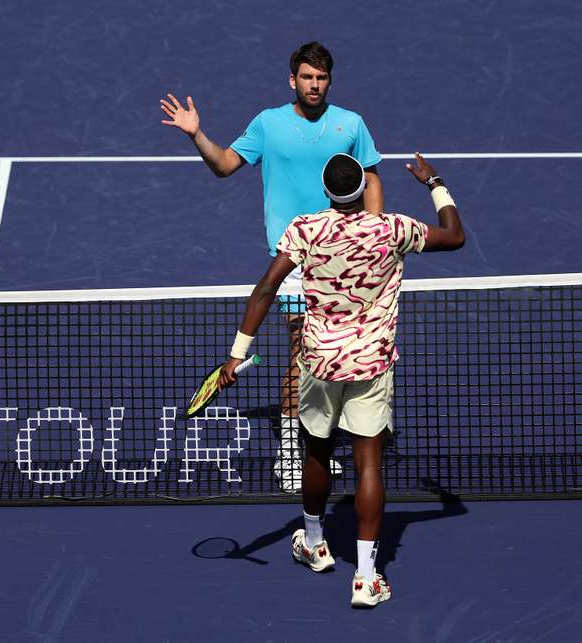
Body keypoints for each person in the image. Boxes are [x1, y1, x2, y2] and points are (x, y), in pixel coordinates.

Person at [218, 152, 465, 608]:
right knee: (368, 464)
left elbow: (266, 289)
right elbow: (455, 236)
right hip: (371, 363)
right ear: (361, 191)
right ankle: (367, 578)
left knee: (316, 453)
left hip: (319, 363)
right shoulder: (393, 229)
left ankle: (314, 543)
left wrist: (237, 354)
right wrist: (435, 183)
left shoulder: (304, 229)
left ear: (328, 190)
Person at [160, 41, 383, 492]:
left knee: (335, 358)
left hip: (344, 256)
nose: (314, 86)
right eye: (306, 78)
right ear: (292, 80)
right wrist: (196, 135)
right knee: (302, 355)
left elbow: (372, 175)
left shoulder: (350, 124)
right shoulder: (268, 122)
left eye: (321, 79)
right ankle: (289, 453)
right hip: (295, 259)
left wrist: (373, 234)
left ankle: (315, 447)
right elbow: (224, 165)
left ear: (329, 81)